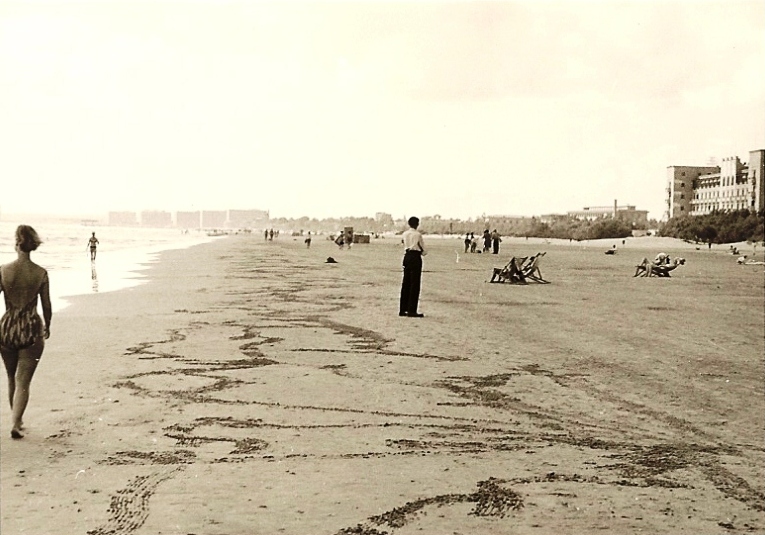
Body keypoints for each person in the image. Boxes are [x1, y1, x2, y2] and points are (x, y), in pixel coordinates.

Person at [0, 225, 52, 439]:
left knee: (12, 377)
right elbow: (46, 305)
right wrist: (47, 324)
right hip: (31, 328)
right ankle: (16, 422)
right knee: (23, 380)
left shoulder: (3, 270)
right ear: (33, 245)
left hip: (7, 328)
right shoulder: (40, 273)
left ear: (16, 244)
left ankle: (17, 420)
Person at [399, 216, 426, 318]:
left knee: (406, 283)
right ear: (417, 224)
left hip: (407, 256)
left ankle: (402, 309)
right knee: (415, 284)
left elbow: (403, 243)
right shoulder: (418, 235)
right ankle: (412, 310)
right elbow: (424, 250)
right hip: (415, 257)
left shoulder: (405, 234)